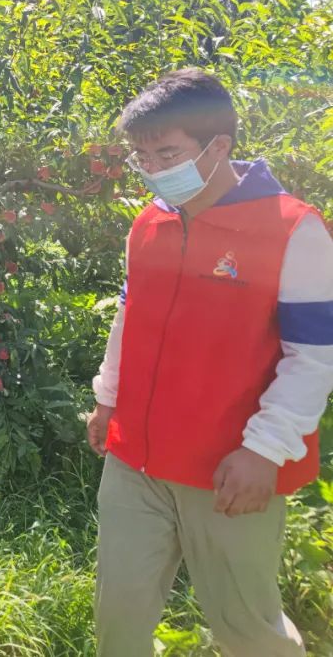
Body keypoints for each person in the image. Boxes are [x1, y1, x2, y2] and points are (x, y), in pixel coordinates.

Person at [85, 68, 333, 656]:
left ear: (219, 147)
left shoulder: (293, 230)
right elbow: (129, 318)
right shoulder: (148, 223)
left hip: (230, 469)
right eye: (141, 154)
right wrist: (107, 398)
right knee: (118, 616)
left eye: (166, 152)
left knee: (246, 627)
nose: (151, 166)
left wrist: (262, 451)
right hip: (135, 462)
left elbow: (314, 357)